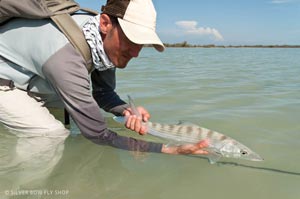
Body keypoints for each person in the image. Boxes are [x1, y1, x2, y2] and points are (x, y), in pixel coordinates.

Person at [0, 0, 208, 155]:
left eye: (142, 43)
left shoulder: (100, 44)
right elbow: (98, 134)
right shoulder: (66, 57)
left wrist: (125, 110)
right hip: (5, 82)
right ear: (105, 23)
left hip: (32, 76)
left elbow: (103, 93)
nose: (136, 53)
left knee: (74, 123)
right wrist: (169, 150)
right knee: (52, 135)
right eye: (131, 39)